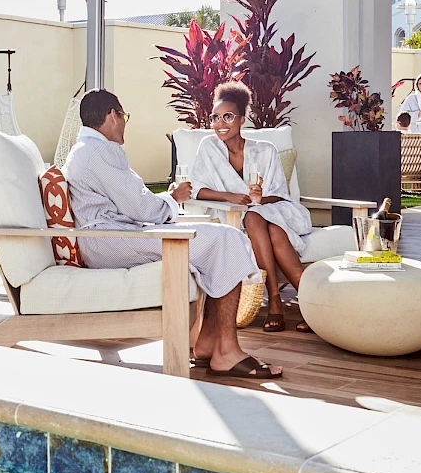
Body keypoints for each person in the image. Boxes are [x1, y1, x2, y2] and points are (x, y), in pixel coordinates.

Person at [63, 88, 282, 379]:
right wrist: (172, 199)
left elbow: (133, 204)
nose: (125, 123)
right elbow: (143, 209)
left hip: (114, 236)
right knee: (225, 239)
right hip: (112, 240)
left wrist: (165, 202)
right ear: (112, 116)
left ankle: (207, 343)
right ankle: (226, 352)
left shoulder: (86, 150)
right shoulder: (100, 150)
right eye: (124, 116)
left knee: (218, 240)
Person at [190, 82, 313, 334]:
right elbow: (195, 189)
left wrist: (259, 198)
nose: (220, 123)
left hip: (274, 211)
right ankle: (313, 305)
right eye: (215, 117)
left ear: (242, 119)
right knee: (268, 228)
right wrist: (229, 196)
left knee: (257, 216)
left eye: (228, 116)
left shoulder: (265, 150)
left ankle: (275, 300)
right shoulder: (208, 148)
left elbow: (279, 194)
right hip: (234, 217)